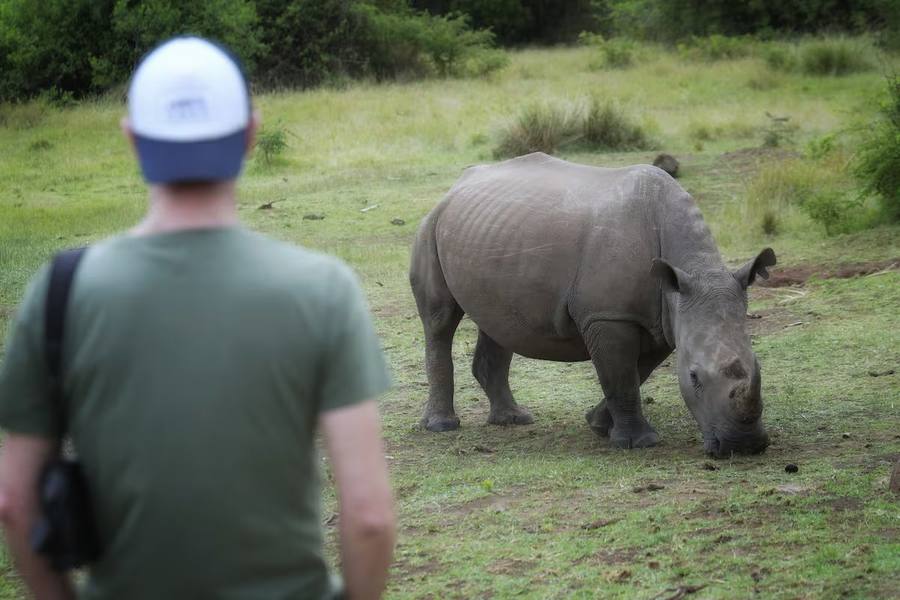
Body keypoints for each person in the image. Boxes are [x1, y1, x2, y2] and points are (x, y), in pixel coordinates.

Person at [0, 36, 395, 600]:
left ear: (133, 139)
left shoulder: (60, 291)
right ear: (251, 135)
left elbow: (14, 503)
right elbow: (369, 515)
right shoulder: (322, 288)